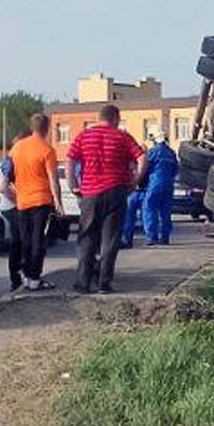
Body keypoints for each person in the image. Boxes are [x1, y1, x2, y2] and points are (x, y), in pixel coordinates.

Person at [67, 105, 146, 294]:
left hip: (90, 194)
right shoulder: (123, 136)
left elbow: (70, 160)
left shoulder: (84, 136)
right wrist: (135, 181)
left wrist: (73, 185)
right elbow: (142, 157)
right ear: (116, 118)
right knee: (110, 240)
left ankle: (83, 283)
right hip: (116, 192)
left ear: (99, 117)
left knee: (87, 238)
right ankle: (104, 282)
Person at [8, 115, 64, 291]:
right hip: (41, 200)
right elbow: (53, 180)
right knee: (38, 240)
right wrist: (59, 202)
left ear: (32, 127)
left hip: (22, 200)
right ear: (47, 128)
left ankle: (26, 276)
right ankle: (34, 278)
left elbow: (8, 173)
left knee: (26, 240)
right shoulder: (47, 149)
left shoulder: (16, 148)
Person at [0, 130, 30, 291]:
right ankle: (18, 275)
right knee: (21, 241)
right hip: (12, 207)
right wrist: (19, 201)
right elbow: (2, 188)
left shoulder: (12, 160)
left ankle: (18, 277)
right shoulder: (10, 162)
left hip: (12, 206)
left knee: (19, 241)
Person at [142, 136, 179, 245]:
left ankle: (152, 237)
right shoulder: (171, 152)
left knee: (149, 208)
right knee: (166, 211)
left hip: (155, 183)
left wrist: (142, 181)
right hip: (169, 184)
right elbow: (175, 170)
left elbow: (145, 167)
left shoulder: (153, 152)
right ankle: (165, 237)